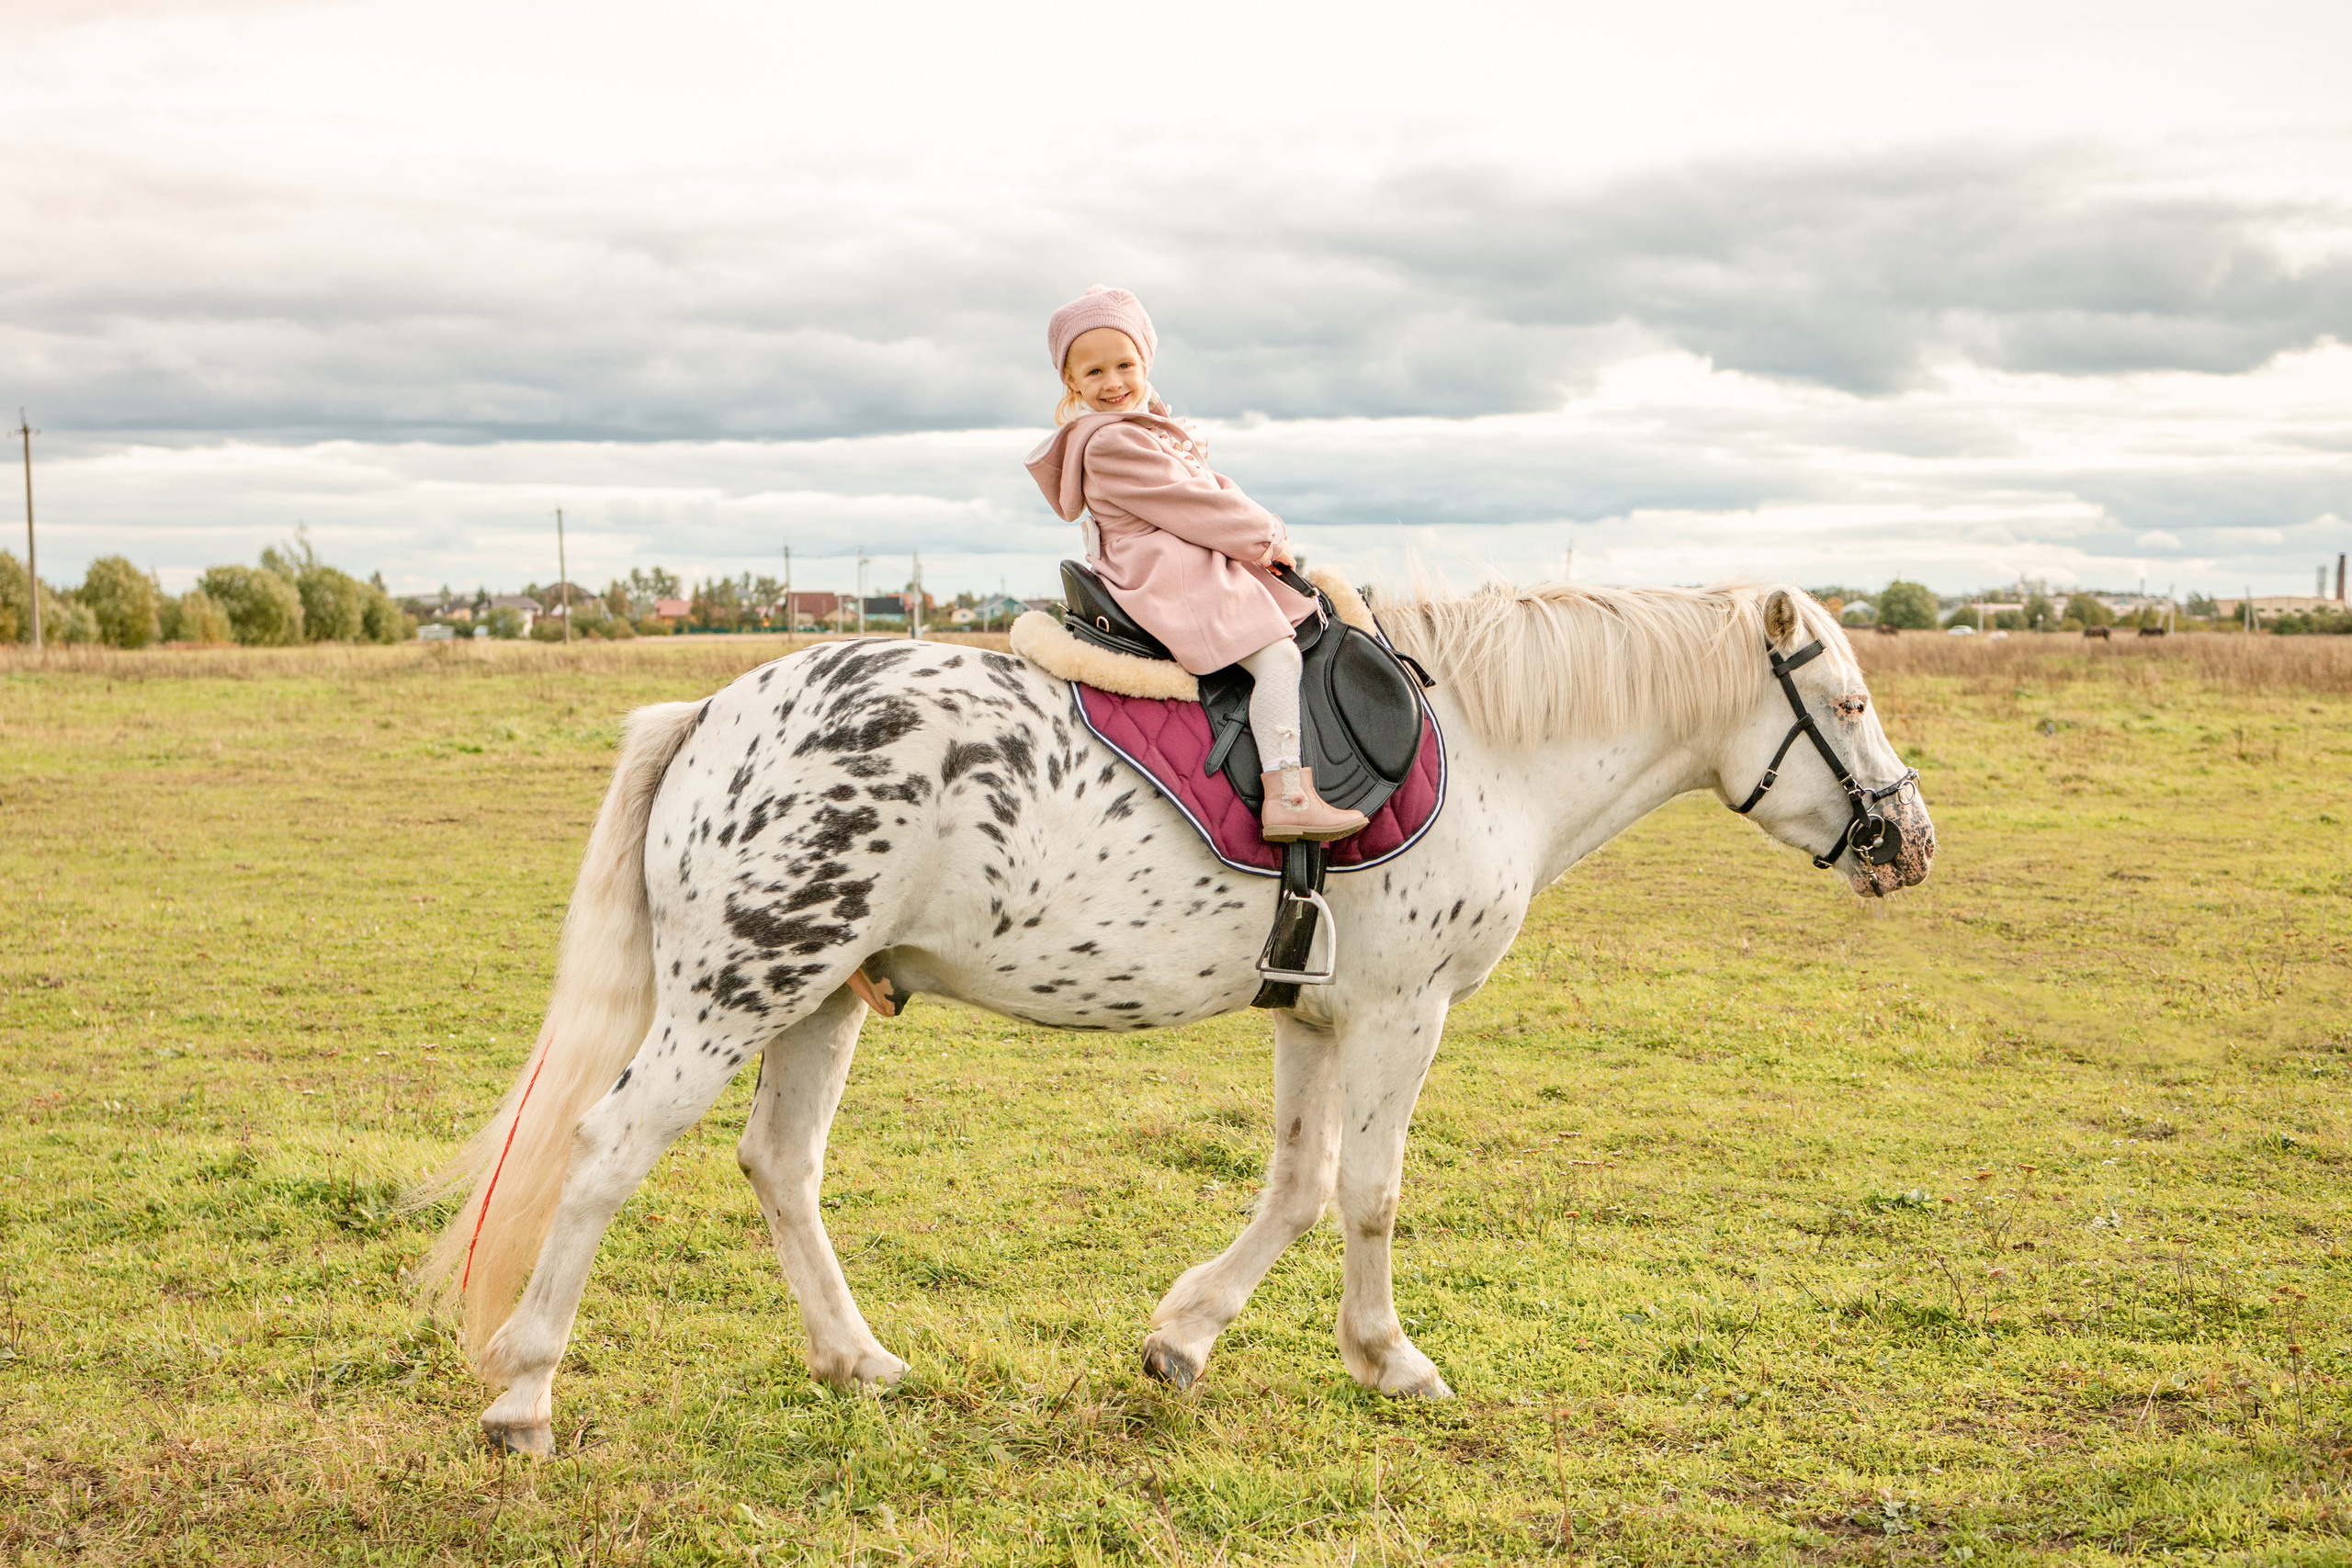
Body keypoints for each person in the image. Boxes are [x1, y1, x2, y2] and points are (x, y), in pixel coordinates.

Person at [1024, 287, 1367, 843]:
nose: (1112, 383)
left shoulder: (1145, 429)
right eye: (1093, 374)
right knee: (1278, 657)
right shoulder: (1114, 444)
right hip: (1169, 572)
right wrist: (1267, 536)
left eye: (1124, 365)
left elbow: (1205, 492)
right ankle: (1289, 794)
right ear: (1072, 383)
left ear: (1145, 362)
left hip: (1182, 557)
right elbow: (1199, 508)